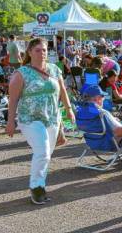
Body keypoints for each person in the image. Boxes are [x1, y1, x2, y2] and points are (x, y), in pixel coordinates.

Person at [5, 38, 75, 205]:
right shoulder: (21, 73)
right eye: (38, 50)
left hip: (52, 117)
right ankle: (36, 187)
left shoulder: (54, 69)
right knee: (43, 151)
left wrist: (69, 109)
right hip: (30, 119)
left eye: (44, 50)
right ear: (29, 52)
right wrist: (10, 121)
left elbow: (63, 91)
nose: (42, 53)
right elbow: (13, 99)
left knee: (46, 154)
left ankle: (40, 184)